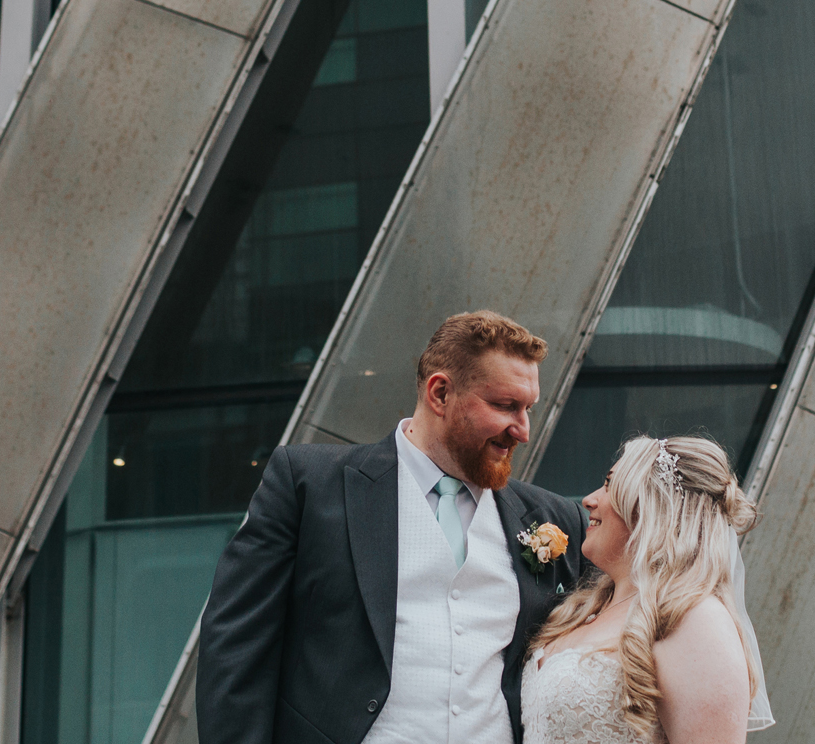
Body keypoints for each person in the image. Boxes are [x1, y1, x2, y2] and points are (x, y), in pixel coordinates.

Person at [198, 311, 589, 744]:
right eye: (505, 406)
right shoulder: (309, 485)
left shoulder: (554, 520)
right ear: (440, 393)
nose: (523, 430)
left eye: (528, 408)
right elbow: (236, 649)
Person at [521, 435, 774, 743]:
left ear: (653, 507)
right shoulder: (588, 610)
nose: (589, 499)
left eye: (611, 485)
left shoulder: (695, 620)